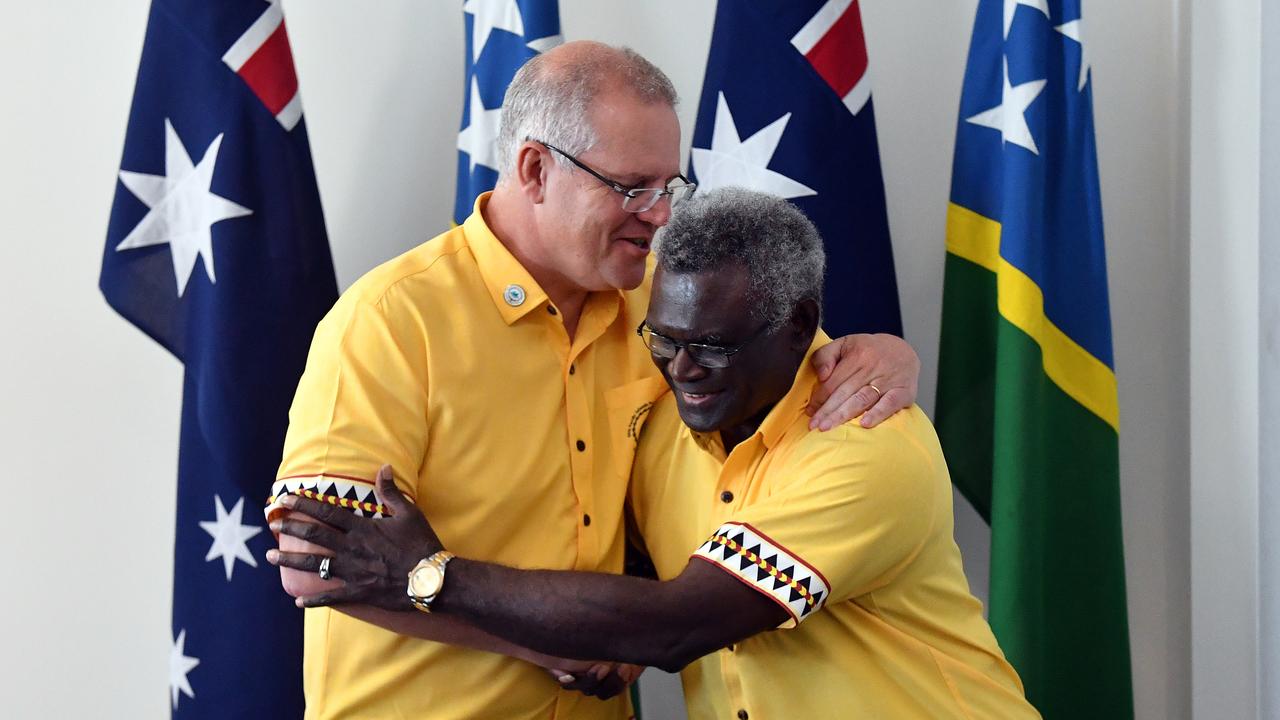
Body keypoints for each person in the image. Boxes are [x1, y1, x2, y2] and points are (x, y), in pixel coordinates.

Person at [269, 43, 920, 719]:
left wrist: (891, 353)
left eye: (671, 188)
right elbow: (313, 561)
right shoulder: (391, 321)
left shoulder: (662, 310)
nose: (663, 215)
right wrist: (542, 641)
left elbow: (800, 353)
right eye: (632, 186)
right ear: (535, 169)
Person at [270, 187, 1042, 720]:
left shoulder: (862, 446)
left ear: (802, 324)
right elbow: (315, 557)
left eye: (707, 346)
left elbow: (675, 626)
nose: (681, 368)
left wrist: (428, 574)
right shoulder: (669, 402)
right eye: (664, 342)